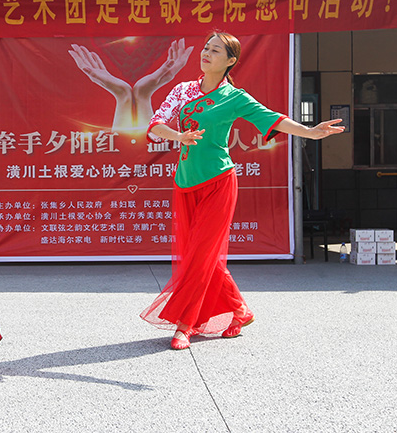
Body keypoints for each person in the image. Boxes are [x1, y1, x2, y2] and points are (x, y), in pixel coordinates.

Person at [141, 32, 343, 350]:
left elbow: (273, 119)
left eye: (215, 50)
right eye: (206, 48)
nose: (206, 53)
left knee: (200, 255)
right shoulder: (182, 90)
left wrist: (309, 131)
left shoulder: (234, 97)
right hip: (185, 182)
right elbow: (156, 124)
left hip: (218, 183)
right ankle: (239, 311)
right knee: (202, 255)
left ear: (230, 60)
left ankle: (185, 324)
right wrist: (178, 137)